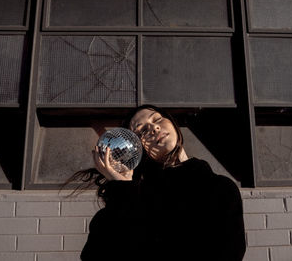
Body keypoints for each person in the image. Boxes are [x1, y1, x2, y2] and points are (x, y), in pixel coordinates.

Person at [76, 105, 246, 261]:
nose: (153, 128)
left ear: (172, 123)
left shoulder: (220, 188)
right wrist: (123, 190)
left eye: (157, 119)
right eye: (141, 130)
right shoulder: (132, 196)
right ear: (137, 150)